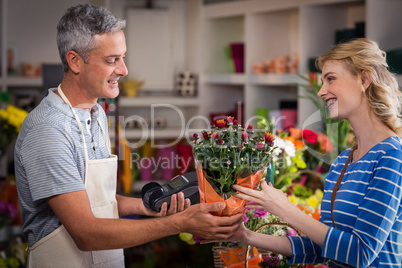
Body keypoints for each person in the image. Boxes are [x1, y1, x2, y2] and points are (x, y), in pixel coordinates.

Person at [14, 4, 243, 267]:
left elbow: (93, 198)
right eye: (111, 60)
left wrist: (141, 207)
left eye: (123, 57)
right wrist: (178, 223)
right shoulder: (48, 130)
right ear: (75, 61)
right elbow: (85, 234)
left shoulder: (96, 113)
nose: (124, 70)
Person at [209, 38, 402, 267]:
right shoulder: (344, 161)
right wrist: (245, 236)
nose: (321, 91)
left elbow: (360, 253)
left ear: (364, 79)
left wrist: (286, 209)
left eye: (330, 79)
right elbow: (325, 248)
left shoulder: (391, 156)